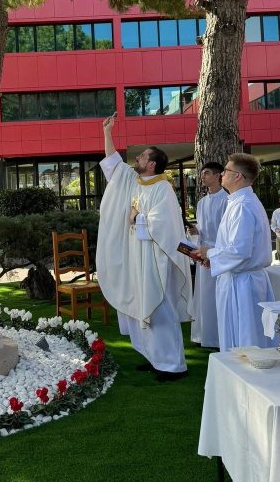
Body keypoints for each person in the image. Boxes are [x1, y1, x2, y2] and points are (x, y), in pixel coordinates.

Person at [96, 113, 193, 381]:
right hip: (137, 258)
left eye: (142, 157)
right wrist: (107, 133)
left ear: (151, 164)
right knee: (142, 307)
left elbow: (164, 224)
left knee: (159, 309)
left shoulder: (162, 189)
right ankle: (155, 358)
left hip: (155, 259)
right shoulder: (134, 181)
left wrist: (136, 217)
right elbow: (113, 164)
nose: (137, 159)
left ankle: (174, 365)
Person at [192, 153, 276, 351]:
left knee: (245, 338)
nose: (222, 174)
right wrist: (213, 258)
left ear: (237, 176)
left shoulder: (243, 206)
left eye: (226, 171)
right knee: (238, 336)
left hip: (243, 282)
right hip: (239, 277)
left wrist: (210, 253)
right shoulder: (240, 201)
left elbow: (239, 251)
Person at [189, 162, 228, 349]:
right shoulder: (202, 202)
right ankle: (203, 335)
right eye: (202, 173)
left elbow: (226, 232)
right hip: (203, 251)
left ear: (218, 175)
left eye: (206, 173)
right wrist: (195, 233)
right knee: (203, 296)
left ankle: (219, 338)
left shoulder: (227, 200)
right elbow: (202, 228)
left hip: (218, 253)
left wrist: (213, 253)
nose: (202, 176)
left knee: (217, 296)